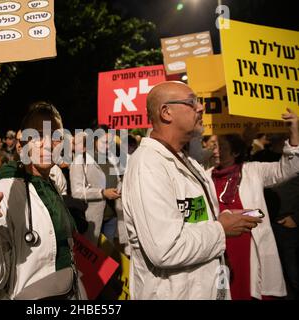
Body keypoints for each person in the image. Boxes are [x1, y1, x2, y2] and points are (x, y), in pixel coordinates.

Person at [122, 81, 261, 300]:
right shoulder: (148, 166)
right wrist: (220, 229)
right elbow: (166, 250)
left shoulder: (186, 160)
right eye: (191, 102)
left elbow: (192, 220)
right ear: (166, 113)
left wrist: (222, 218)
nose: (201, 108)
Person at [0, 102, 83, 299]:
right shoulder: (4, 191)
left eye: (55, 137)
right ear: (22, 144)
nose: (47, 144)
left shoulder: (51, 183)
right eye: (37, 135)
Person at [207, 113, 299, 300]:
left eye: (221, 147)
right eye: (214, 146)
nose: (215, 151)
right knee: (223, 292)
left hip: (248, 245)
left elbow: (288, 169)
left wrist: (294, 130)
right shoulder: (205, 176)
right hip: (220, 245)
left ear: (235, 152)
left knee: (248, 290)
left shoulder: (253, 171)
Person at [70, 127, 123, 246]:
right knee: (93, 258)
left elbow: (117, 181)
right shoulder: (81, 161)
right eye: (105, 142)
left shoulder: (112, 160)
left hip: (112, 218)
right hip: (91, 220)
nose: (109, 146)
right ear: (94, 141)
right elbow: (76, 192)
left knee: (108, 258)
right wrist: (102, 193)